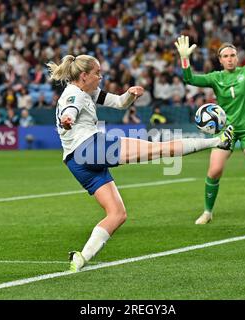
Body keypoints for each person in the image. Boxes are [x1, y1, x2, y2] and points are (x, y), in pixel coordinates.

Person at [47, 54, 234, 272]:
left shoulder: (87, 90)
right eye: (97, 73)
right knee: (159, 149)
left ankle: (81, 258)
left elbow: (118, 103)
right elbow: (70, 111)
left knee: (117, 214)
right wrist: (67, 119)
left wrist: (129, 94)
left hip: (76, 163)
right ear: (84, 75)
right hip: (90, 147)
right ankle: (218, 141)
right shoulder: (74, 95)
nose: (101, 76)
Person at [175, 22, 245, 226]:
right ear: (220, 60)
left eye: (232, 55)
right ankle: (207, 212)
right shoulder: (215, 78)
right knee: (214, 171)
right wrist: (184, 58)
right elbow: (189, 79)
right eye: (225, 56)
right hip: (227, 131)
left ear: (237, 57)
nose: (229, 59)